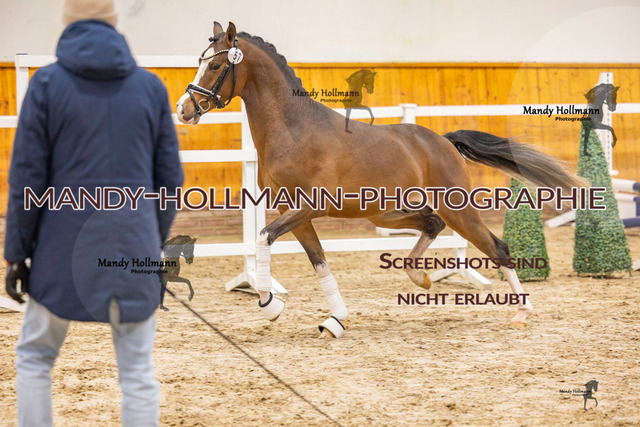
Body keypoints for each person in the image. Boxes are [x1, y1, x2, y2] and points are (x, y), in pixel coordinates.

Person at [4, 0, 183, 425]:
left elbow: (27, 180)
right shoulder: (151, 87)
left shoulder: (46, 84)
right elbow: (170, 182)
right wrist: (149, 240)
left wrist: (17, 254)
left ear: (68, 22)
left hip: (61, 255)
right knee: (138, 374)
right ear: (114, 22)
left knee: (34, 357)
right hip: (134, 251)